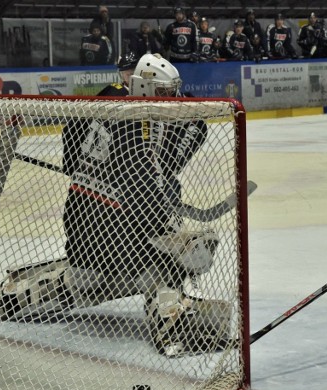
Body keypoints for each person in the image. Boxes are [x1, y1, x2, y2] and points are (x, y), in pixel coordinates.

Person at [63, 54, 214, 356]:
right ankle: (174, 327)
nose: (170, 98)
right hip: (110, 232)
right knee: (176, 258)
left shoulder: (113, 100)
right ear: (145, 87)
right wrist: (169, 227)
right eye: (164, 92)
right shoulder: (141, 122)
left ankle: (49, 286)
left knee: (87, 275)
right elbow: (144, 186)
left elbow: (73, 131)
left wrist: (79, 166)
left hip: (78, 222)